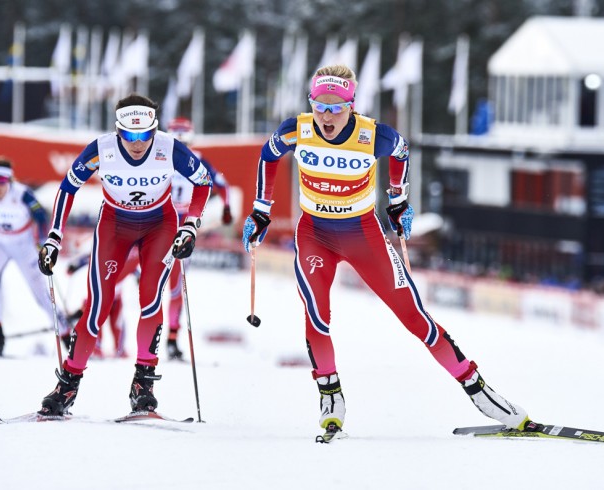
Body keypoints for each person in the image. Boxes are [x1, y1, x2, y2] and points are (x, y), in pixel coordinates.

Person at [242, 65, 529, 435]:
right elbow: (268, 156)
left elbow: (401, 152)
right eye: (320, 106)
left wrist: (398, 201)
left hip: (363, 234)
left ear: (351, 105)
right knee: (316, 314)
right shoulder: (296, 130)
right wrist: (261, 210)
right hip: (314, 233)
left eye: (337, 107)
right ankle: (330, 394)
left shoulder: (373, 136)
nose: (327, 115)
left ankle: (478, 390)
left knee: (414, 317)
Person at [36, 94, 212, 417]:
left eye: (144, 135)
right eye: (128, 136)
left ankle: (143, 384)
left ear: (154, 129)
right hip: (115, 225)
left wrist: (190, 226)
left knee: (151, 300)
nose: (136, 143)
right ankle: (68, 384)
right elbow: (67, 187)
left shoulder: (169, 147)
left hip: (160, 224)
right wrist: (54, 237)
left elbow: (204, 182)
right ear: (117, 131)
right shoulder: (101, 148)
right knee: (96, 306)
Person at [0, 157, 69, 356]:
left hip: (22, 243)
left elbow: (41, 215)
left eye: (1, 182)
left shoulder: (22, 194)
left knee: (39, 290)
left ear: (9, 180)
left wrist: (43, 240)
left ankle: (67, 335)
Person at [164, 117, 233, 360]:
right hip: (160, 221)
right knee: (156, 283)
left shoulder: (198, 160)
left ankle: (171, 337)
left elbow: (223, 185)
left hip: (183, 224)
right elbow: (224, 187)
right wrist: (226, 208)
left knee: (176, 286)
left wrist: (226, 209)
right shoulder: (160, 156)